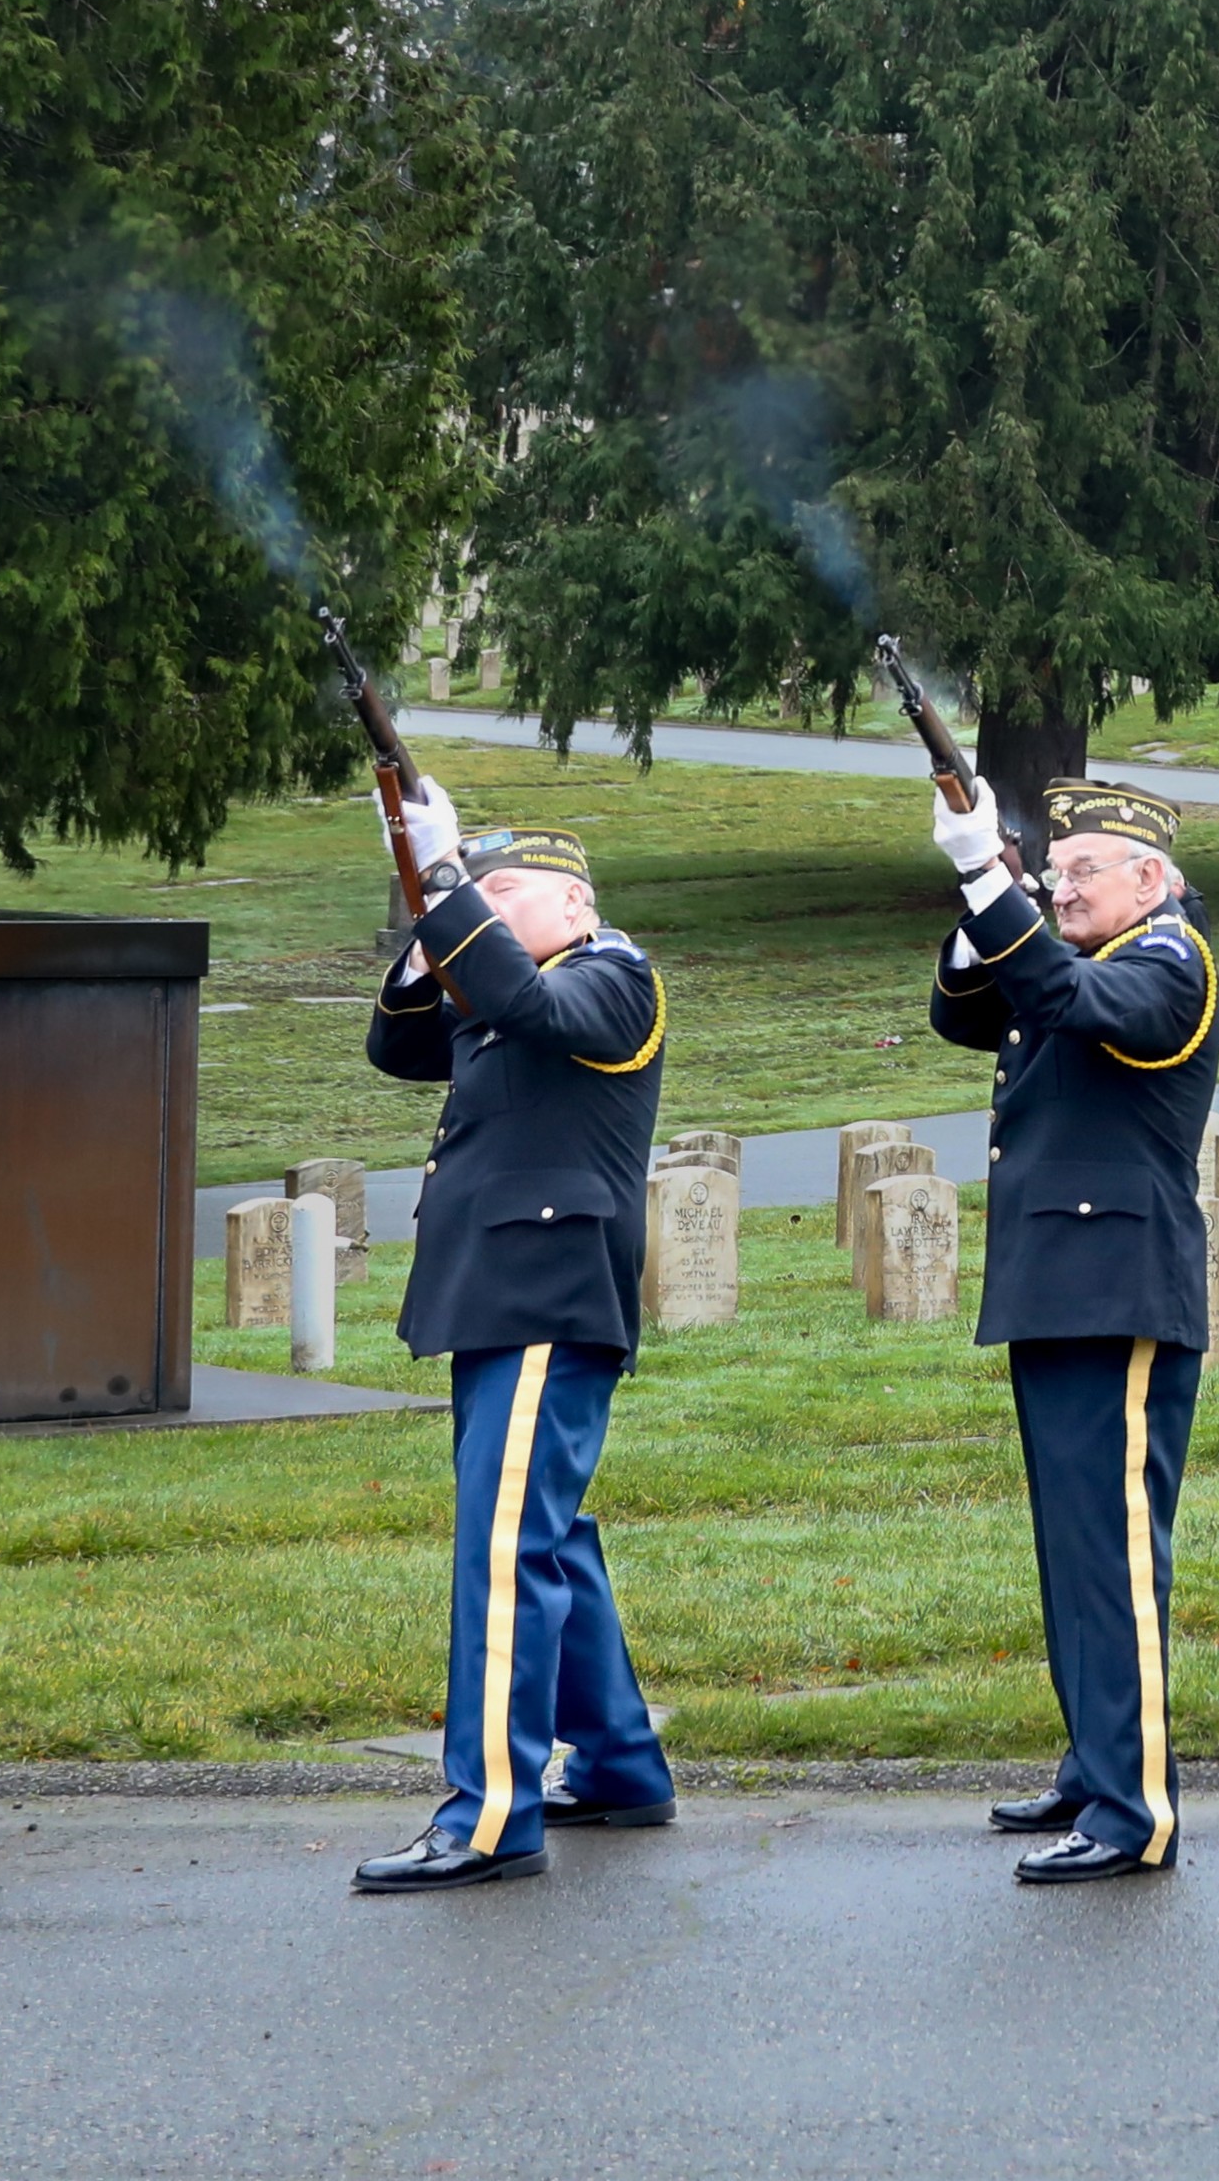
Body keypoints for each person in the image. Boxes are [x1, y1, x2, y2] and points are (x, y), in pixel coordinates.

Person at [349, 800, 677, 1894]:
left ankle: (490, 1812)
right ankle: (621, 1763)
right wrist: (427, 903)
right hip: (495, 1293)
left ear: (576, 902)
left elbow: (525, 1002)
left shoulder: (612, 978)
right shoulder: (500, 988)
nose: (485, 911)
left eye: (506, 893)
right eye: (480, 896)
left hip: (547, 1295)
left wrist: (449, 881)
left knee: (504, 1555)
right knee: (545, 1539)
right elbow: (399, 1044)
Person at [927, 774, 1219, 1883]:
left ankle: (1133, 1810)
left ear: (1151, 877)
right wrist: (988, 896)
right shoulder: (1084, 957)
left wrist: (984, 876)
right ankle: (1095, 1763)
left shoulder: (1168, 960)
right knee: (1072, 1553)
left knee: (1113, 1555)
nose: (1062, 889)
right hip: (1058, 1287)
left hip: (1117, 1291)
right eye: (1052, 873)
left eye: (1080, 870)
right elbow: (964, 1012)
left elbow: (1062, 995)